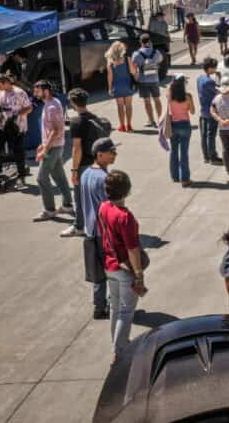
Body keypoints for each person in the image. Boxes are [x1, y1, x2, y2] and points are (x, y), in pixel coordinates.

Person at [99, 168, 147, 359]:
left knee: (115, 308)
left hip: (109, 265)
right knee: (126, 312)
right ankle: (119, 351)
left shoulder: (103, 208)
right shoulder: (125, 217)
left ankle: (118, 343)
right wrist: (139, 274)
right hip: (125, 270)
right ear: (127, 191)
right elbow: (133, 250)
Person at [81, 137, 118, 319]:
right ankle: (113, 305)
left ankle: (98, 307)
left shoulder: (86, 173)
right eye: (111, 152)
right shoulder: (104, 179)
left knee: (97, 274)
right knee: (112, 271)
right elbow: (109, 208)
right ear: (99, 155)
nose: (114, 155)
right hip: (103, 233)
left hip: (89, 231)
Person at [63, 89, 106, 238]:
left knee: (80, 197)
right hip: (98, 163)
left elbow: (77, 148)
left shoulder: (76, 122)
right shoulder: (96, 119)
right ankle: (101, 225)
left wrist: (74, 170)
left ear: (73, 103)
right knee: (98, 196)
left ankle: (79, 226)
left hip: (84, 165)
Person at [32, 79, 74, 223]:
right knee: (59, 176)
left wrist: (45, 149)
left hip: (53, 147)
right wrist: (42, 144)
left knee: (41, 178)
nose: (35, 93)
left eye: (37, 90)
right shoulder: (51, 103)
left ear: (46, 91)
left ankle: (49, 210)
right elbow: (50, 130)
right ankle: (68, 205)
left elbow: (56, 130)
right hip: (53, 145)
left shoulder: (52, 107)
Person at [0, 74, 33, 182]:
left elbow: (29, 108)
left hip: (16, 127)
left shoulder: (19, 92)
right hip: (1, 125)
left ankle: (21, 174)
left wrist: (17, 114)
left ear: (6, 83)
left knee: (17, 151)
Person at [166, 74, 196, 186]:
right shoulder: (187, 96)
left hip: (173, 125)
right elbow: (192, 111)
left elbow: (169, 88)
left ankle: (175, 176)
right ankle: (185, 178)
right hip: (185, 124)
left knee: (174, 151)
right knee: (184, 153)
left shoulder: (169, 95)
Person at [130, 35, 163, 127]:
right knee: (157, 99)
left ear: (140, 42)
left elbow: (134, 67)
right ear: (149, 41)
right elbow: (160, 60)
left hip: (143, 80)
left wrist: (135, 78)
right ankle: (161, 119)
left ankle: (151, 121)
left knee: (147, 101)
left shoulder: (136, 54)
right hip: (155, 79)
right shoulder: (156, 52)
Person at [197, 58, 222, 165]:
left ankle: (206, 156)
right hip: (211, 110)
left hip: (203, 109)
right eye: (214, 67)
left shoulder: (200, 78)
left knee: (203, 135)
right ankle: (213, 156)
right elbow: (218, 92)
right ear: (210, 68)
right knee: (211, 135)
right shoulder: (210, 81)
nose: (215, 69)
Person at [105, 41, 134, 132]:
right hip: (127, 84)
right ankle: (129, 125)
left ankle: (122, 126)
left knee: (120, 106)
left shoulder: (110, 61)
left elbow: (110, 76)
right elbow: (133, 71)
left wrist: (110, 88)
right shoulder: (127, 58)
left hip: (117, 86)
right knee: (128, 105)